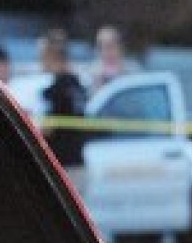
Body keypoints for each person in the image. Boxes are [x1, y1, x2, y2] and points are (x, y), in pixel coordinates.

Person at [38, 27, 89, 187]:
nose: (40, 61)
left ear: (51, 56)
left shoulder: (56, 90)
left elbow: (48, 129)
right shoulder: (77, 85)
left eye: (42, 56)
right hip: (78, 164)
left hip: (62, 168)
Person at [88, 24, 138, 93]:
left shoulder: (134, 71)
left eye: (110, 46)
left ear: (120, 47)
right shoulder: (91, 74)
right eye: (101, 47)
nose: (106, 52)